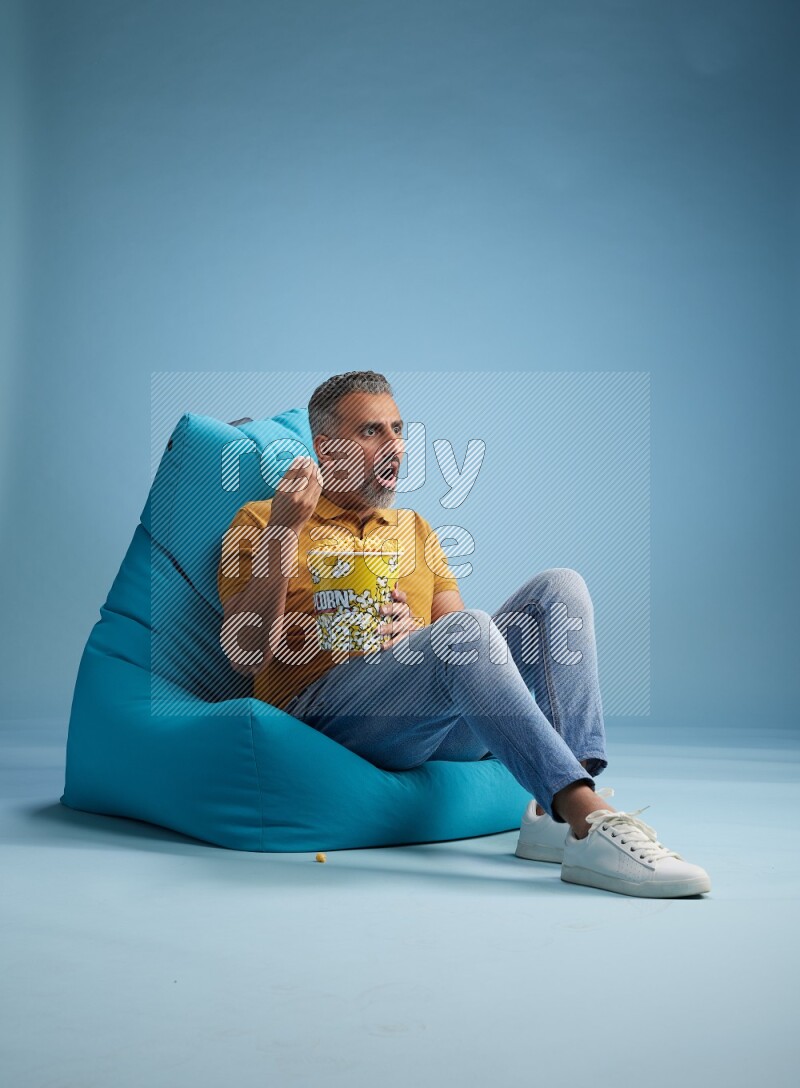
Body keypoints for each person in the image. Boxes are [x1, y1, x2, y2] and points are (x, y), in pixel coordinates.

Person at [217, 370, 710, 898]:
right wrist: (287, 529)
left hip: (421, 723)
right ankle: (589, 817)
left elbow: (459, 641)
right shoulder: (263, 518)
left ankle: (554, 813)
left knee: (558, 589)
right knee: (464, 630)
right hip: (324, 719)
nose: (395, 446)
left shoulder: (417, 530)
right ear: (326, 449)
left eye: (397, 429)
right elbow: (244, 656)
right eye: (371, 432)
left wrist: (418, 634)